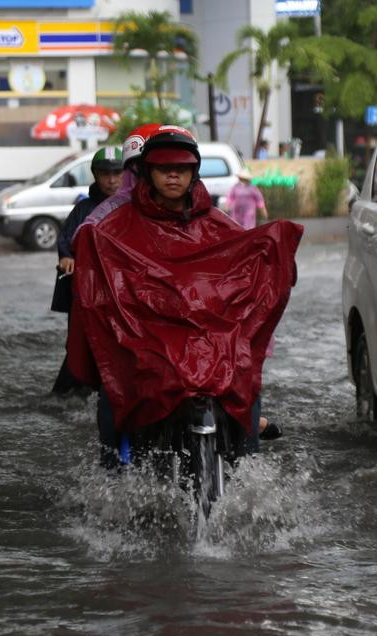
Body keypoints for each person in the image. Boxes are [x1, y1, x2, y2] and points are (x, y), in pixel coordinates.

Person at [65, 125, 301, 466]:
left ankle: (248, 461)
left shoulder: (217, 223)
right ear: (147, 171)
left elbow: (246, 257)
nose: (172, 176)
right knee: (116, 388)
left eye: (182, 168)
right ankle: (114, 468)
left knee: (243, 374)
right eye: (163, 168)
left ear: (194, 173)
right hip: (147, 341)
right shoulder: (114, 223)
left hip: (206, 339)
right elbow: (94, 261)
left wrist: (277, 260)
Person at [49, 145, 124, 394]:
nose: (111, 180)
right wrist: (67, 257)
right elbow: (65, 240)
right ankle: (71, 389)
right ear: (95, 175)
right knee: (80, 343)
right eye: (105, 174)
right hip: (88, 291)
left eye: (117, 173)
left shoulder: (135, 207)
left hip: (122, 292)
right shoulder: (83, 209)